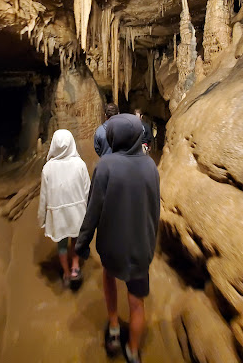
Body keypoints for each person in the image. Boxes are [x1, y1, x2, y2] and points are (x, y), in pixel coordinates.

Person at [76, 114, 160, 363]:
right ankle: (133, 351)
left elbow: (93, 211)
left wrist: (82, 244)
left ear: (113, 136)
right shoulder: (150, 166)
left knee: (109, 277)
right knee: (137, 304)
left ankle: (113, 328)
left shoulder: (105, 165)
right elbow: (154, 210)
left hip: (112, 245)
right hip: (140, 248)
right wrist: (150, 243)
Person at [38, 129, 90, 289]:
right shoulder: (80, 164)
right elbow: (87, 190)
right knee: (75, 238)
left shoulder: (48, 168)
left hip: (58, 213)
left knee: (61, 243)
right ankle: (75, 267)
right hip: (77, 211)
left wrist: (42, 217)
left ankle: (66, 274)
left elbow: (43, 196)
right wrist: (89, 212)